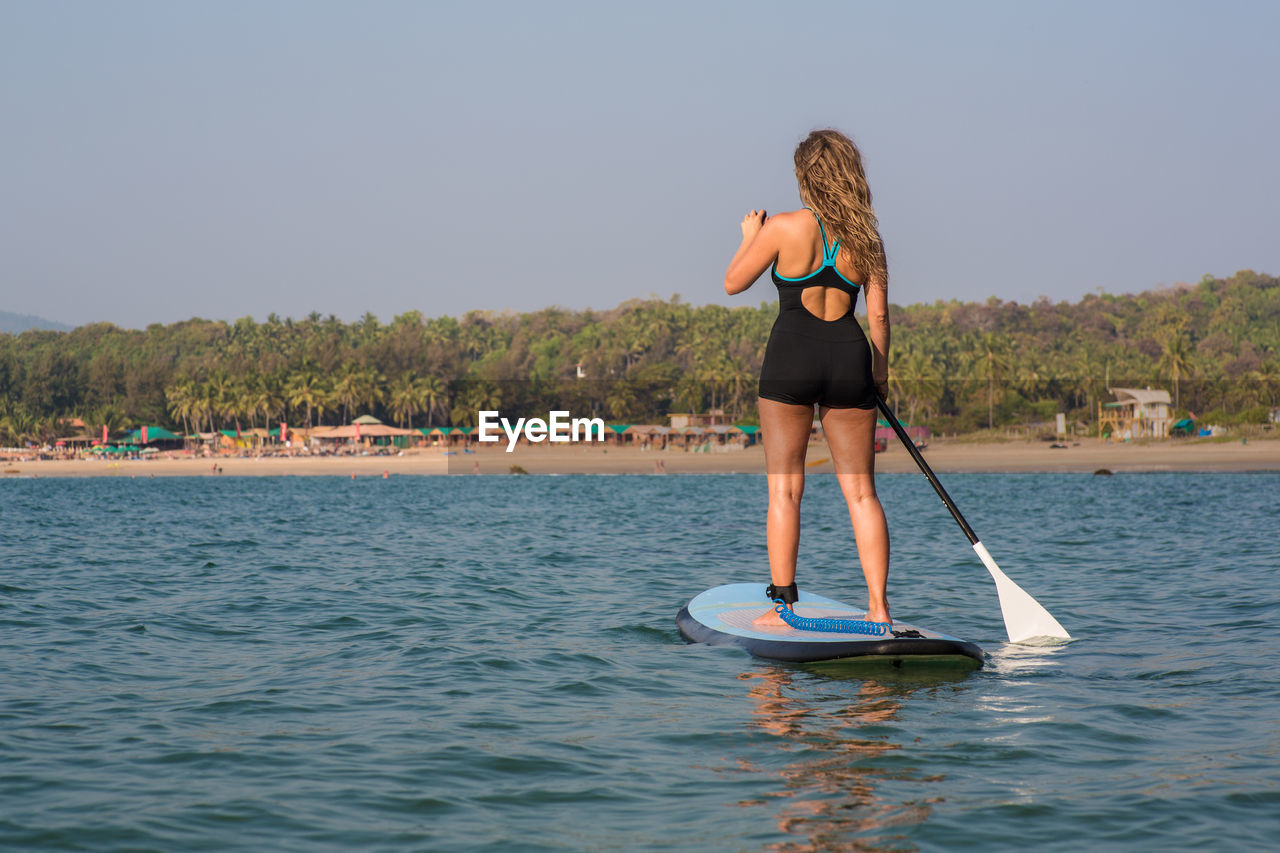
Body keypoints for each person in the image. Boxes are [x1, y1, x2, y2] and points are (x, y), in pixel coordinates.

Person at [723, 129, 892, 629]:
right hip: (849, 359)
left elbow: (733, 282)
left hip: (791, 358)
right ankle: (879, 608)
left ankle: (784, 607)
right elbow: (879, 317)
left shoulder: (783, 228)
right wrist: (878, 377)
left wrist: (751, 236)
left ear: (805, 177)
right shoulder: (868, 239)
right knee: (862, 493)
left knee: (785, 490)